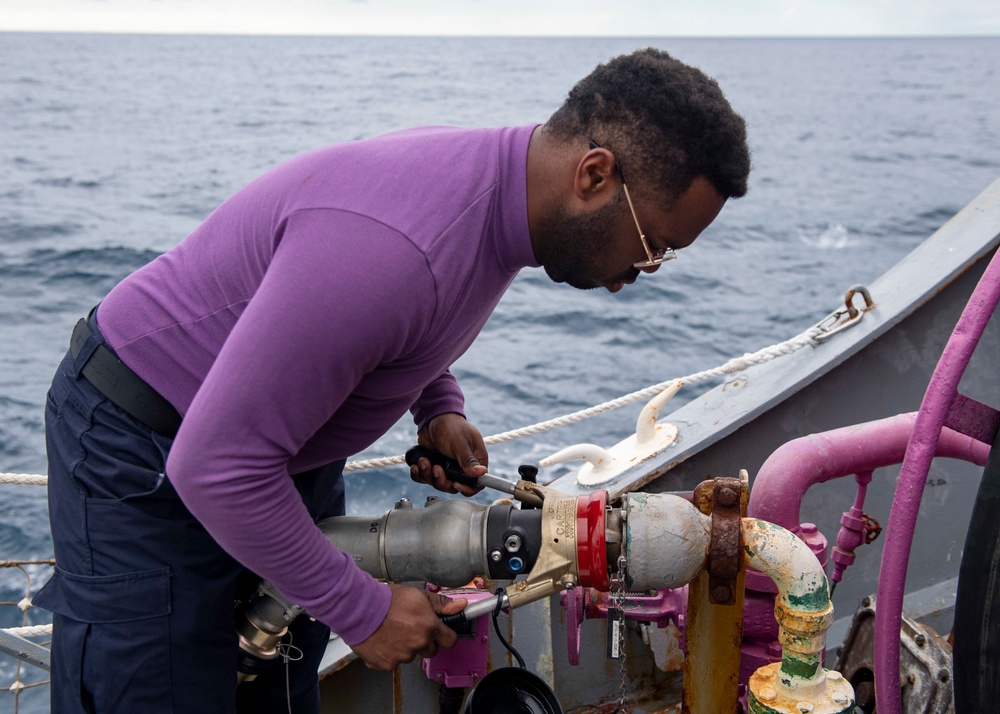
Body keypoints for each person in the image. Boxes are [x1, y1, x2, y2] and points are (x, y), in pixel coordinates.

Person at [35, 47, 750, 713]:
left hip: (272, 450)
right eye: (653, 245)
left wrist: (436, 404)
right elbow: (214, 466)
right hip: (146, 451)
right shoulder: (396, 252)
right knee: (162, 692)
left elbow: (403, 313)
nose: (639, 275)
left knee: (275, 686)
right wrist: (363, 609)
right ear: (594, 176)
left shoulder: (495, 193)